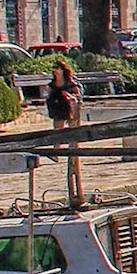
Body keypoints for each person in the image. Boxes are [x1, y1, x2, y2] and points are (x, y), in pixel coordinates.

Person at [44, 57, 85, 203]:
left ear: (63, 70)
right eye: (54, 68)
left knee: (71, 130)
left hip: (68, 107)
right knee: (57, 128)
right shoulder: (53, 83)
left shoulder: (70, 82)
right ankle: (56, 151)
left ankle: (69, 149)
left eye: (57, 68)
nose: (55, 70)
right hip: (57, 106)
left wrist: (72, 97)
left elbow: (77, 94)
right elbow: (48, 93)